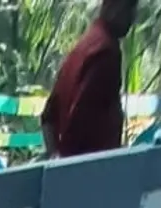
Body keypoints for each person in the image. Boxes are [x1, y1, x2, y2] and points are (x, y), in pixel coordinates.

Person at [42, 0, 138, 159]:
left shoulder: (85, 45)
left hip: (72, 164)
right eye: (129, 8)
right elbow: (82, 118)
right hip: (92, 165)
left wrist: (56, 160)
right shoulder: (106, 52)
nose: (133, 18)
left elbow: (48, 117)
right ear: (111, 7)